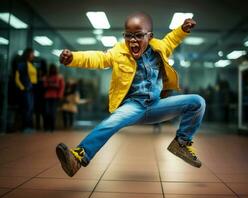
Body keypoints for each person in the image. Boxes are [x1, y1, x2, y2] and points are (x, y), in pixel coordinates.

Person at [56, 12, 205, 177]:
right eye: (128, 36)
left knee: (197, 102)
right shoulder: (118, 52)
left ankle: (181, 143)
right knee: (110, 123)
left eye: (139, 36)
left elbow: (172, 39)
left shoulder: (160, 48)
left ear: (150, 36)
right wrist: (73, 58)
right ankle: (77, 158)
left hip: (156, 106)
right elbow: (98, 58)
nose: (133, 40)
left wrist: (183, 29)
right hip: (132, 106)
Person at [15, 48, 37, 133]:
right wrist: (22, 87)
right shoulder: (22, 64)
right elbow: (17, 78)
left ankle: (29, 127)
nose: (33, 55)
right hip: (26, 89)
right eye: (32, 53)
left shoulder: (31, 64)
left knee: (31, 108)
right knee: (27, 108)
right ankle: (25, 127)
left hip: (32, 89)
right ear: (27, 54)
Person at [43, 64, 65, 132]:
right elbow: (44, 85)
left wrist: (60, 96)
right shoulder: (47, 77)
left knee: (52, 112)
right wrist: (52, 85)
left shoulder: (59, 77)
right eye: (51, 69)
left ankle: (52, 128)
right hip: (47, 96)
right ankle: (46, 127)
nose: (53, 70)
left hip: (55, 97)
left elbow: (61, 87)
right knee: (47, 112)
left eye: (54, 69)